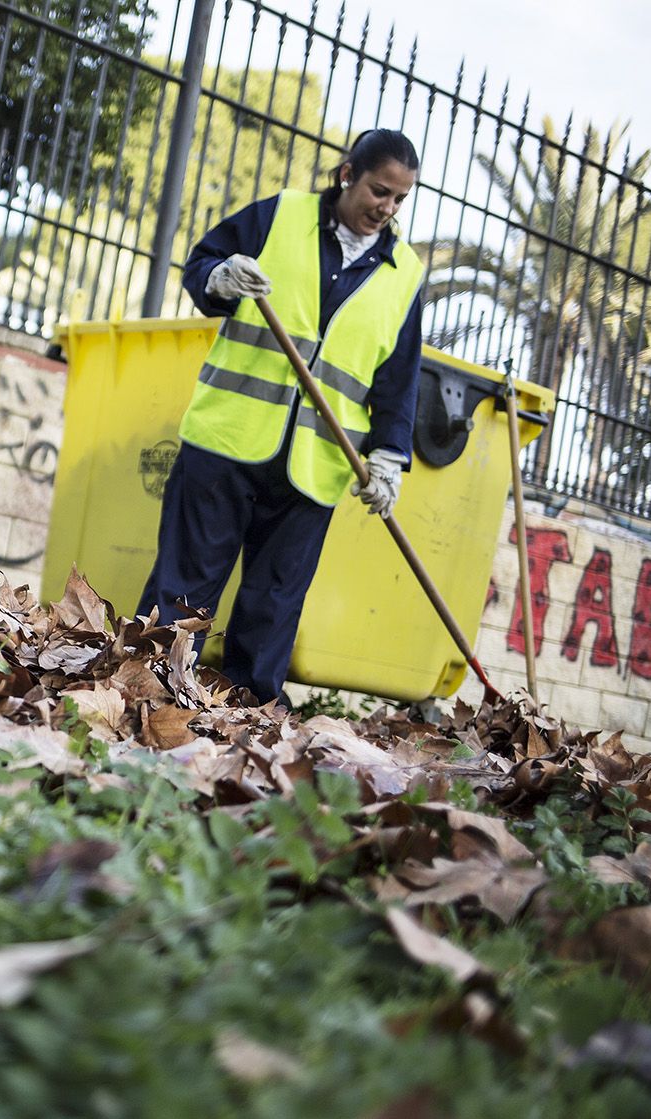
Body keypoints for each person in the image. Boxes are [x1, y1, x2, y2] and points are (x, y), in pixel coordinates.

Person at [137, 129, 426, 704]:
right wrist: (221, 278)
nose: (387, 208)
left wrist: (389, 459)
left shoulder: (406, 275)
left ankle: (250, 719)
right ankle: (149, 689)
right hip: (226, 441)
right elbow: (202, 264)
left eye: (399, 199)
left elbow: (399, 380)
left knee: (273, 605)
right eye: (379, 190)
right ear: (348, 174)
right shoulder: (281, 215)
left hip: (315, 467)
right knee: (186, 588)